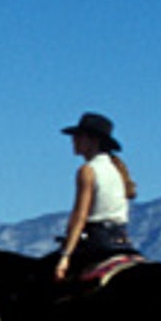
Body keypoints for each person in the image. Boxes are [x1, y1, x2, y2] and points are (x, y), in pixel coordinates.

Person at [53, 112, 139, 283]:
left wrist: (65, 255)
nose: (74, 140)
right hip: (122, 242)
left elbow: (80, 216)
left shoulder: (88, 170)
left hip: (96, 243)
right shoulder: (116, 170)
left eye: (80, 136)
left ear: (94, 141)